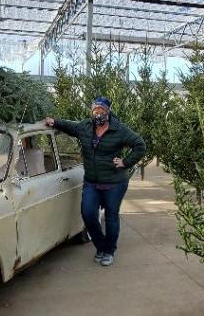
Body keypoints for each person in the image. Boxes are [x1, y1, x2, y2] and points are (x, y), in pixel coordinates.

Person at [45, 97, 146, 266]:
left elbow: (140, 145)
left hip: (115, 183)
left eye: (102, 111)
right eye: (95, 111)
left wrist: (125, 162)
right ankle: (101, 246)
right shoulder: (85, 127)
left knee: (111, 216)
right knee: (88, 214)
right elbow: (70, 126)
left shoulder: (119, 129)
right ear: (91, 112)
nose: (98, 114)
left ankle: (109, 251)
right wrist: (54, 122)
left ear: (108, 112)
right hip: (92, 182)